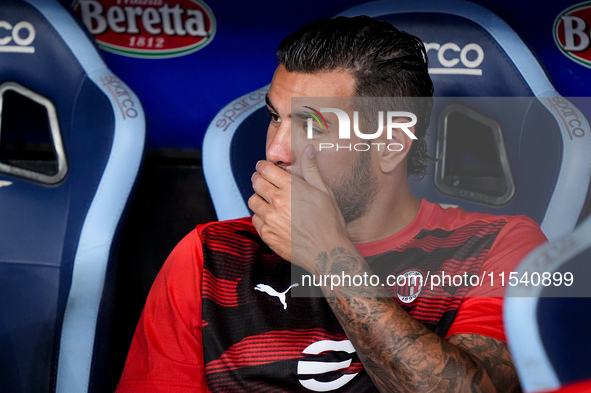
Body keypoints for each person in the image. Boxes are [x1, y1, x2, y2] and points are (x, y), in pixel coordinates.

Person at [116, 16, 547, 393]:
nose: (277, 150)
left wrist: (328, 256)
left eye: (312, 125)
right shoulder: (208, 256)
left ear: (392, 144)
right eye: (275, 117)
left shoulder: (497, 246)